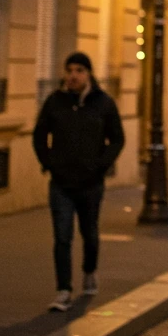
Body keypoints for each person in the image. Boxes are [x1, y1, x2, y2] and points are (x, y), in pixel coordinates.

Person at [32, 52, 124, 312]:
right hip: (61, 182)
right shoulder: (55, 102)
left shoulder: (103, 103)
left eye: (79, 70)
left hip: (90, 183)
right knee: (62, 237)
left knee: (90, 233)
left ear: (89, 74)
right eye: (69, 70)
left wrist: (100, 166)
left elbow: (117, 138)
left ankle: (89, 270)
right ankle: (63, 290)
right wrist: (48, 162)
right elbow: (40, 135)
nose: (73, 75)